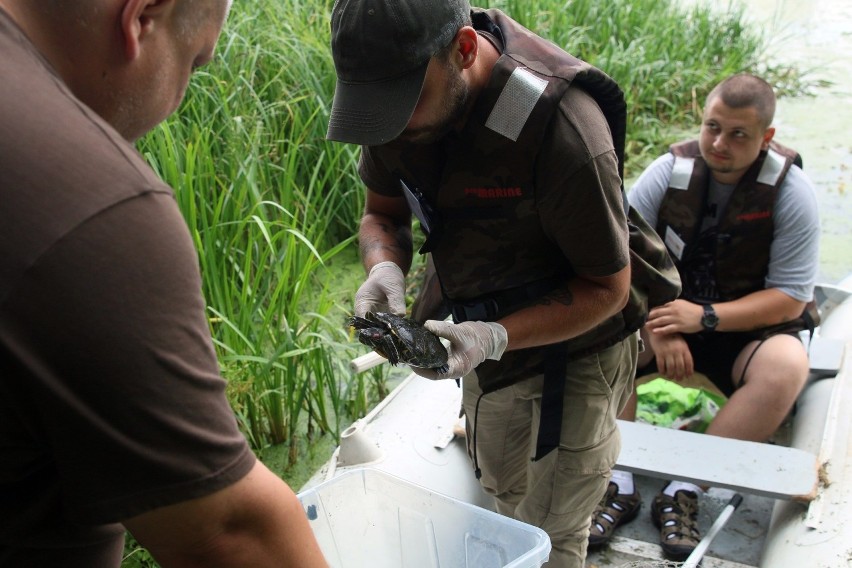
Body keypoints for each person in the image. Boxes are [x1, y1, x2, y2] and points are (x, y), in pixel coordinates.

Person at [325, 1, 660, 566]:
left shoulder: (564, 132)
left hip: (573, 348)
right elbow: (381, 213)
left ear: (462, 49)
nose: (393, 126)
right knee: (505, 486)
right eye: (376, 109)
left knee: (551, 534)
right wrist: (384, 266)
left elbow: (608, 289)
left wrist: (494, 337)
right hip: (480, 326)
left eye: (405, 104)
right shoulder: (391, 101)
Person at [0, 1, 328, 567]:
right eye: (194, 62)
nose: (176, 103)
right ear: (142, 16)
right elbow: (233, 535)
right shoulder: (96, 207)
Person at [587, 73, 820, 561]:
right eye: (713, 127)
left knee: (787, 365)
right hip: (665, 318)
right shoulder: (667, 172)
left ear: (767, 138)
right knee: (609, 328)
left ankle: (684, 487)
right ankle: (618, 477)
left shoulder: (792, 193)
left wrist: (703, 319)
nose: (720, 143)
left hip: (744, 330)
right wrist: (661, 325)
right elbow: (618, 259)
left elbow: (791, 299)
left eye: (739, 134)